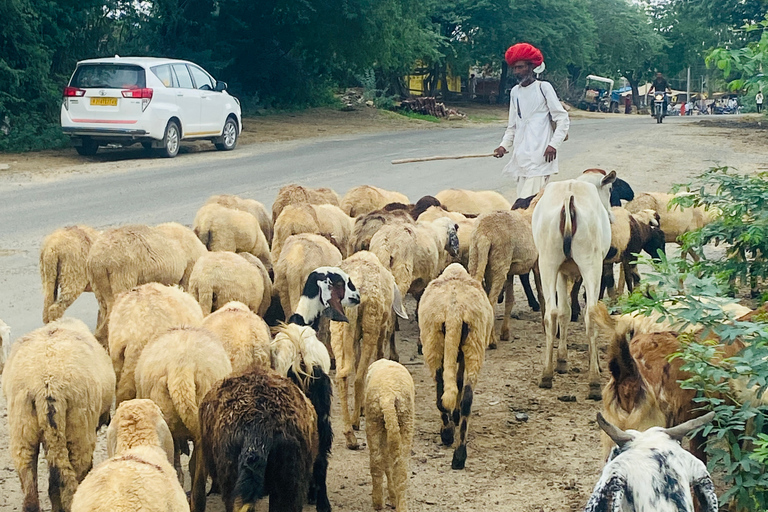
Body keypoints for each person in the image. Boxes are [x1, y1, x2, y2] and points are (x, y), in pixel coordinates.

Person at [493, 43, 569, 198]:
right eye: (515, 68)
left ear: (531, 67)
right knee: (524, 205)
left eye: (520, 67)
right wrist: (503, 146)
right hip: (521, 159)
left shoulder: (544, 87)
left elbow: (562, 118)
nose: (517, 72)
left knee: (526, 204)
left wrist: (553, 145)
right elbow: (512, 126)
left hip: (541, 157)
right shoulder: (515, 92)